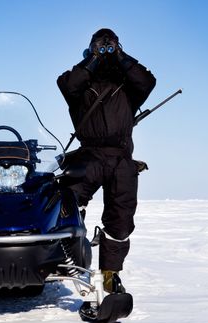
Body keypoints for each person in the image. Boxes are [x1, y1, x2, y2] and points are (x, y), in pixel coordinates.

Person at [57, 28, 156, 293]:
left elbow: (147, 81)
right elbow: (66, 83)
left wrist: (121, 55)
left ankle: (110, 275)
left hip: (121, 159)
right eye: (99, 46)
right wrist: (93, 57)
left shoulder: (128, 87)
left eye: (109, 46)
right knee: (65, 207)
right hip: (88, 156)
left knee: (121, 220)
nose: (105, 50)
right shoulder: (79, 87)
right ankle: (68, 261)